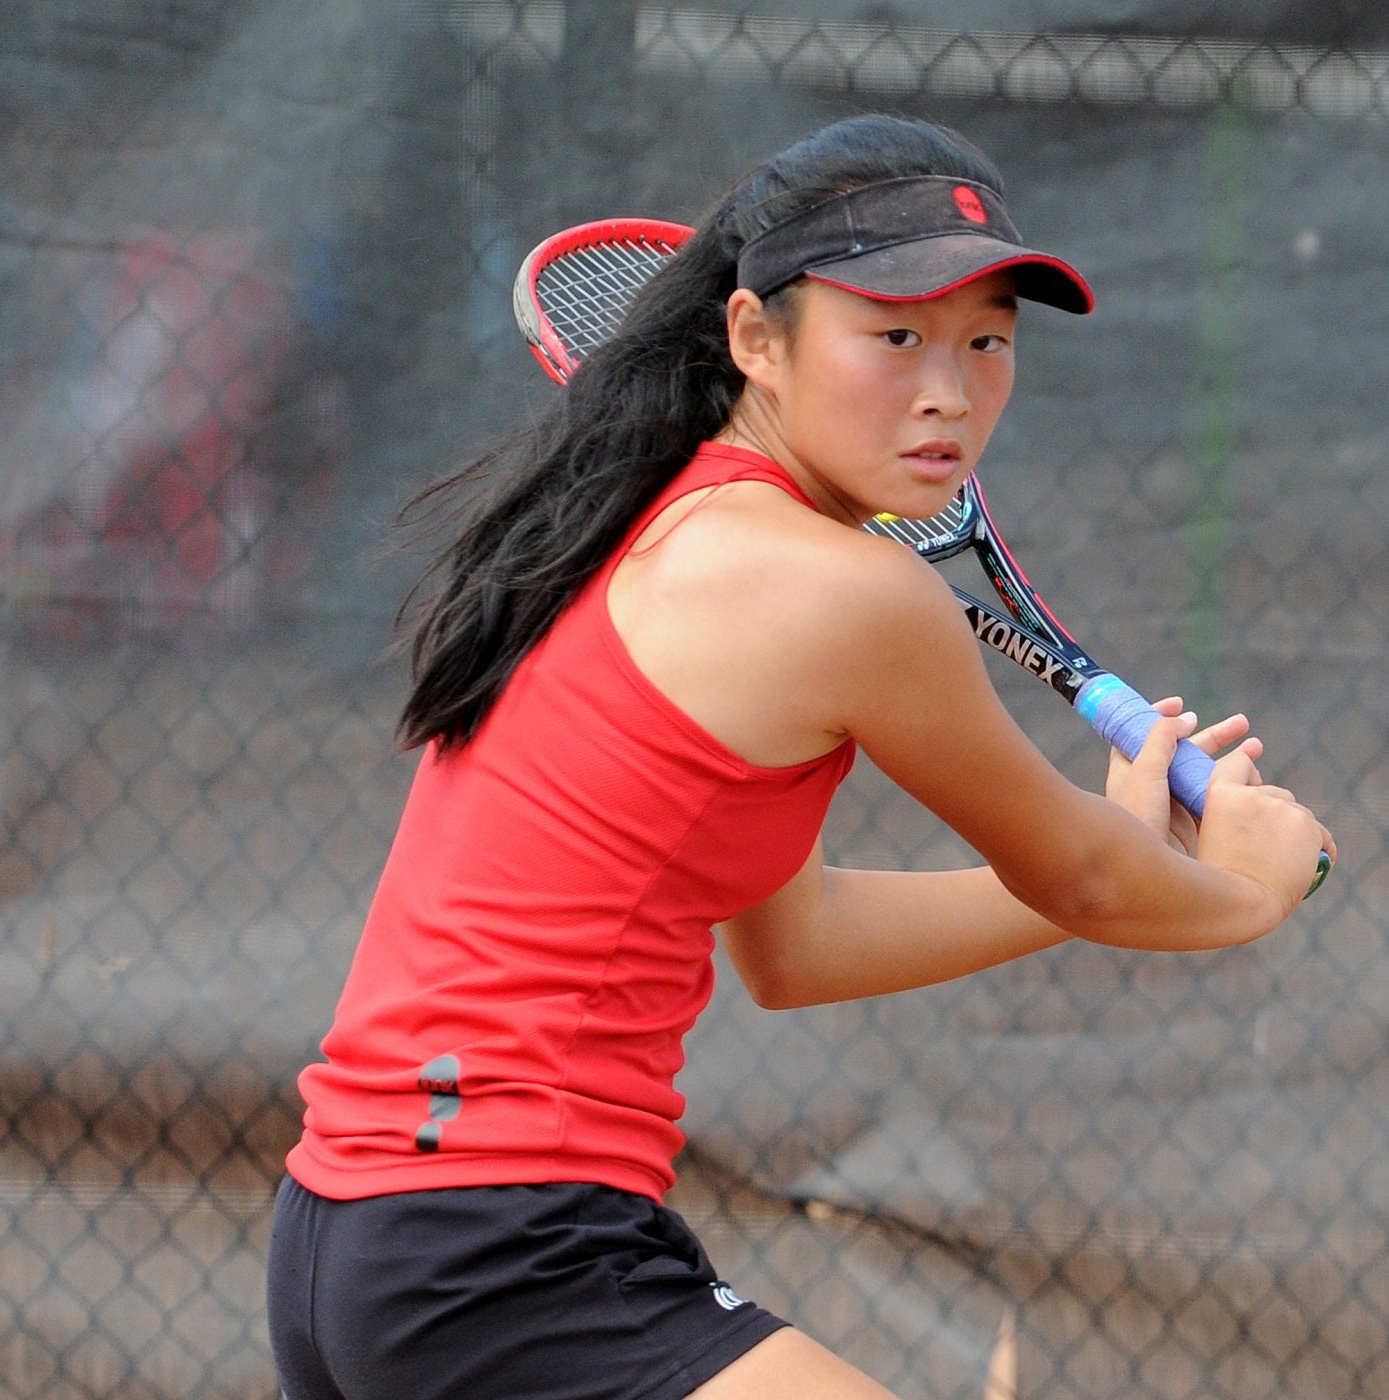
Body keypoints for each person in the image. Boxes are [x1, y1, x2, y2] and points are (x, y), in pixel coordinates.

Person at [266, 113, 1334, 1400]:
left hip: (357, 1235)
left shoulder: (654, 523)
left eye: (987, 339)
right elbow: (1091, 884)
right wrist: (1254, 886)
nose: (949, 388)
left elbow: (796, 942)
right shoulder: (847, 594)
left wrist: (1123, 845)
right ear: (753, 340)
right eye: (895, 335)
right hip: (500, 1249)